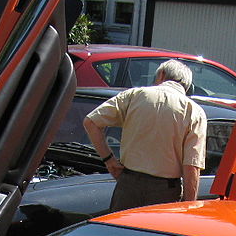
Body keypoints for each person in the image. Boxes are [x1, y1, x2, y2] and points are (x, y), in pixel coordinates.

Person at [82, 58, 207, 212]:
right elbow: (191, 166)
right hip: (165, 193)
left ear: (161, 75)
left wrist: (109, 160)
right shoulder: (194, 112)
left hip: (127, 185)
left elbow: (91, 122)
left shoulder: (134, 95)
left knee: (121, 234)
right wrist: (189, 207)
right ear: (186, 86)